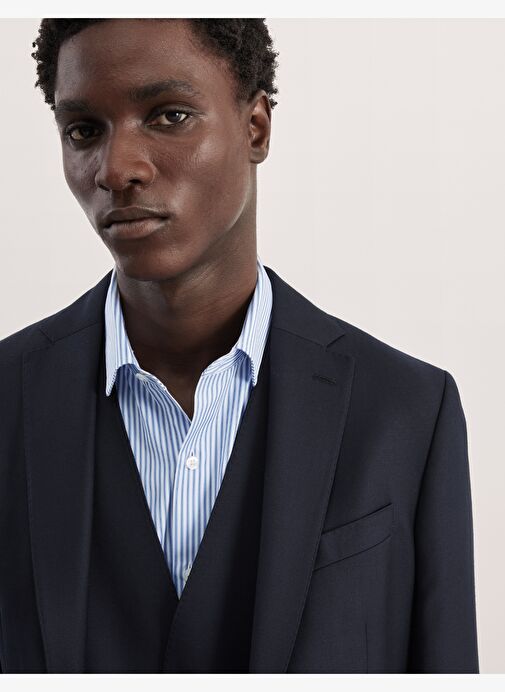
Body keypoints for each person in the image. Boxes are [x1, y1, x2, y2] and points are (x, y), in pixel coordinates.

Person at [0, 18, 479, 673]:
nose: (117, 169)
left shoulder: (406, 409)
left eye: (168, 116)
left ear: (255, 128)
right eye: (84, 130)